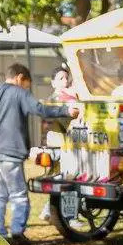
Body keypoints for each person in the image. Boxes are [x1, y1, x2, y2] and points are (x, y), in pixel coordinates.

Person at [0, 63, 77, 245]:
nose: (27, 88)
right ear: (19, 78)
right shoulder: (18, 93)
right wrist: (65, 111)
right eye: (27, 84)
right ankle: (17, 231)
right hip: (12, 152)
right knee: (18, 195)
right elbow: (39, 109)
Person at [39, 66, 79, 223]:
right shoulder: (57, 100)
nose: (65, 81)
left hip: (59, 144)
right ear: (53, 82)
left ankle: (48, 211)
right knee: (68, 181)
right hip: (61, 145)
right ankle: (71, 218)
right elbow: (68, 120)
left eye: (66, 78)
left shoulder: (61, 98)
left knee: (58, 180)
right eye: (61, 78)